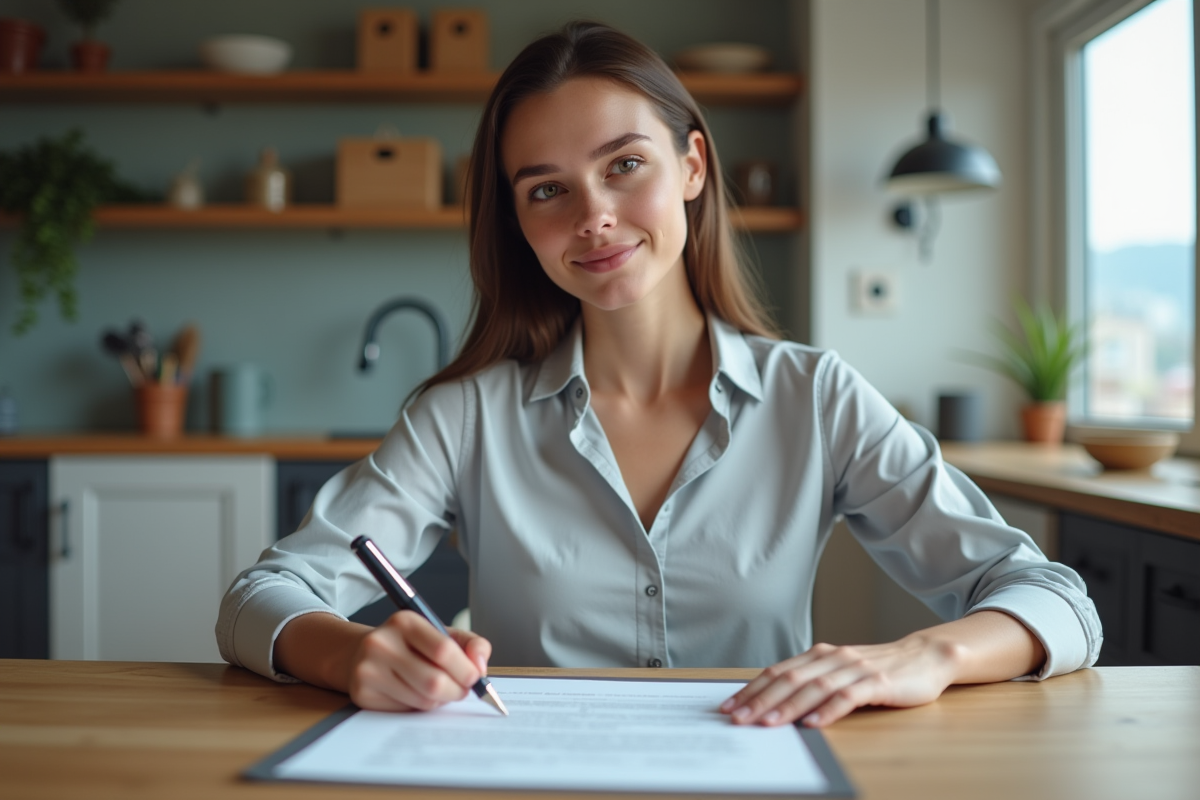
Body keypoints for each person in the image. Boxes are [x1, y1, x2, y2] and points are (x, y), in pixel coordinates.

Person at [217, 21, 1101, 729]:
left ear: (692, 165)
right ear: (519, 222)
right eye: (546, 189)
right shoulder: (463, 417)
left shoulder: (816, 397)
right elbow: (259, 598)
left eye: (624, 165)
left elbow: (1055, 599)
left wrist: (925, 657)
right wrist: (348, 653)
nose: (594, 217)